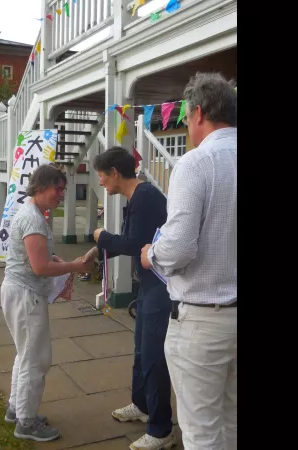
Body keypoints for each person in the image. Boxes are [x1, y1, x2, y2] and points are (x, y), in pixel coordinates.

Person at [140, 72, 238, 450]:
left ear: (198, 113)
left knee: (201, 431)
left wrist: (152, 255)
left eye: (186, 117)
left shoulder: (196, 162)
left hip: (203, 320)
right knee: (233, 421)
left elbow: (178, 247)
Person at [0, 164, 94, 442]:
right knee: (36, 360)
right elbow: (40, 267)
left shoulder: (32, 214)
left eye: (63, 189)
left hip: (20, 292)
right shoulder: (33, 219)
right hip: (25, 295)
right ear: (40, 187)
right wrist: (75, 266)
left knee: (26, 355)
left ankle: (17, 409)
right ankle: (26, 423)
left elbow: (38, 258)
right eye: (58, 188)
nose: (61, 194)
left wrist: (58, 261)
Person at [91, 147, 174, 450]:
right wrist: (97, 251)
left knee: (153, 358)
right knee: (141, 351)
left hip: (161, 288)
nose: (100, 182)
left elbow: (133, 243)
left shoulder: (145, 196)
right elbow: (135, 242)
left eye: (101, 176)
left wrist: (102, 237)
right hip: (149, 287)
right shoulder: (137, 197)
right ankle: (142, 405)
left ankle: (161, 430)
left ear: (114, 173)